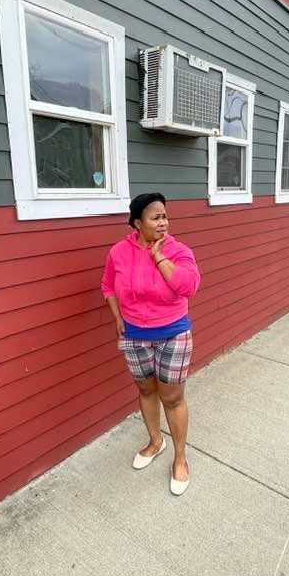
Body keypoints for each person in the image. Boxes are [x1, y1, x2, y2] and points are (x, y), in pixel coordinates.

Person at [101, 193, 201, 496]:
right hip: (133, 335)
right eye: (155, 218)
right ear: (136, 222)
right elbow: (107, 285)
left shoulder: (178, 250)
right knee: (145, 389)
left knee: (171, 398)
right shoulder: (118, 252)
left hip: (173, 333)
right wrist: (118, 316)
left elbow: (189, 286)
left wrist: (158, 257)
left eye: (165, 217)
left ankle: (180, 458)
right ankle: (156, 442)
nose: (163, 223)